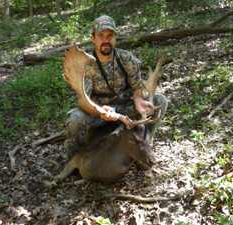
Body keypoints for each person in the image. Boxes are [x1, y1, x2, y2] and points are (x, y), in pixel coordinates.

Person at [64, 15, 168, 158]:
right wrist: (100, 110)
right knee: (75, 118)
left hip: (123, 109)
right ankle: (76, 158)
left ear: (115, 38)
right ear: (93, 38)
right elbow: (82, 100)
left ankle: (144, 145)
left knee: (159, 101)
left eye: (110, 35)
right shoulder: (86, 65)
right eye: (101, 36)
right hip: (99, 113)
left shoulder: (127, 58)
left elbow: (138, 88)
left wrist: (138, 102)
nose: (106, 40)